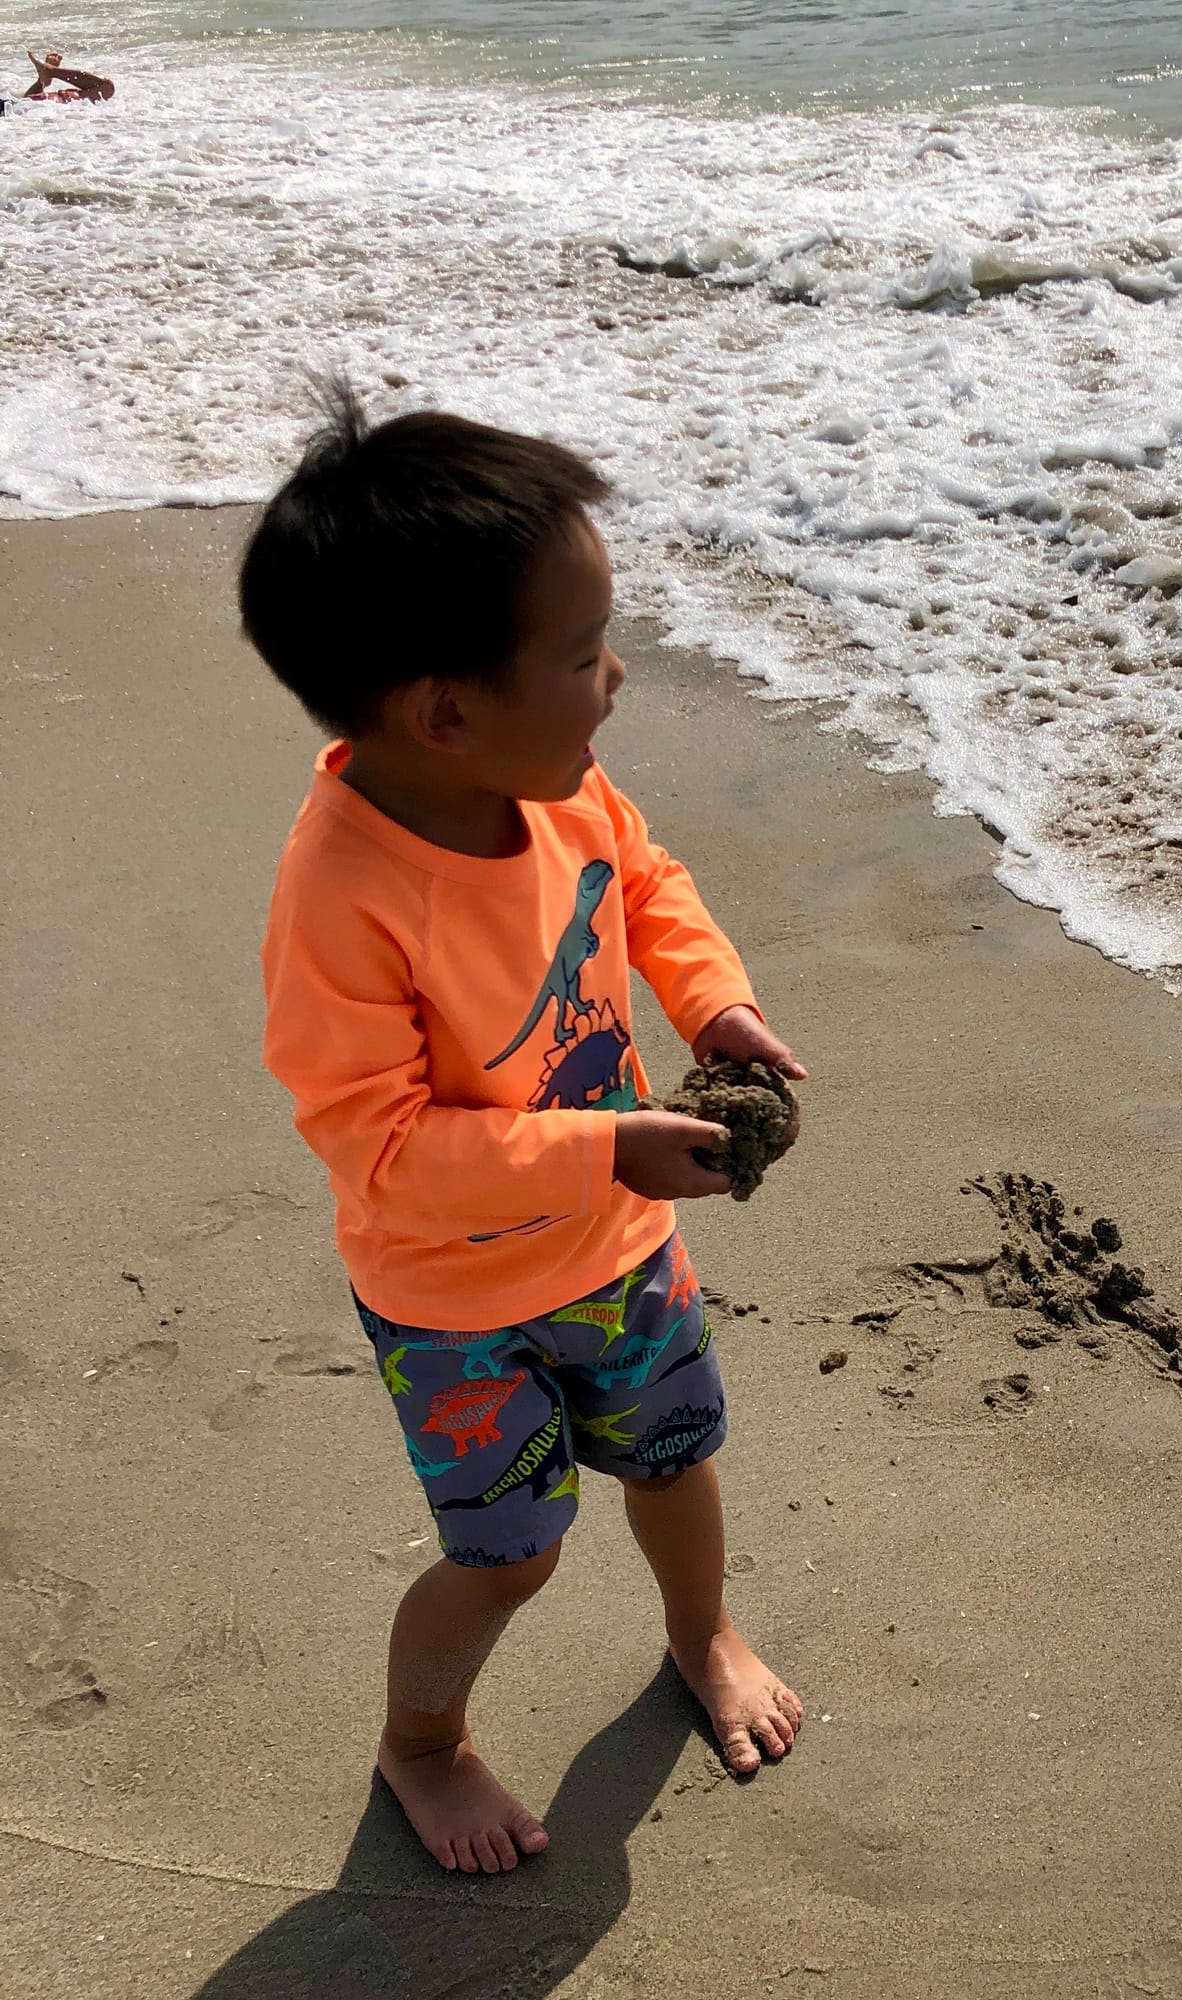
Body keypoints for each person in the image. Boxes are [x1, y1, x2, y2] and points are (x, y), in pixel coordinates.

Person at [245, 385, 807, 1875]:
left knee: (677, 1456)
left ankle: (704, 1634)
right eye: (580, 655)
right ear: (444, 710)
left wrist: (718, 1007)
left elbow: (649, 884)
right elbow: (380, 1148)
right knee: (512, 1553)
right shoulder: (343, 901)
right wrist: (604, 1145)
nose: (615, 679)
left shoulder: (549, 786)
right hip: (456, 1302)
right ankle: (421, 1742)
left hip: (618, 1246)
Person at [26, 49, 114, 101]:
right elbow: (107, 87)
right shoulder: (82, 100)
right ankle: (49, 72)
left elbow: (26, 100)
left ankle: (47, 75)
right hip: (47, 104)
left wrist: (41, 82)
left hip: (38, 103)